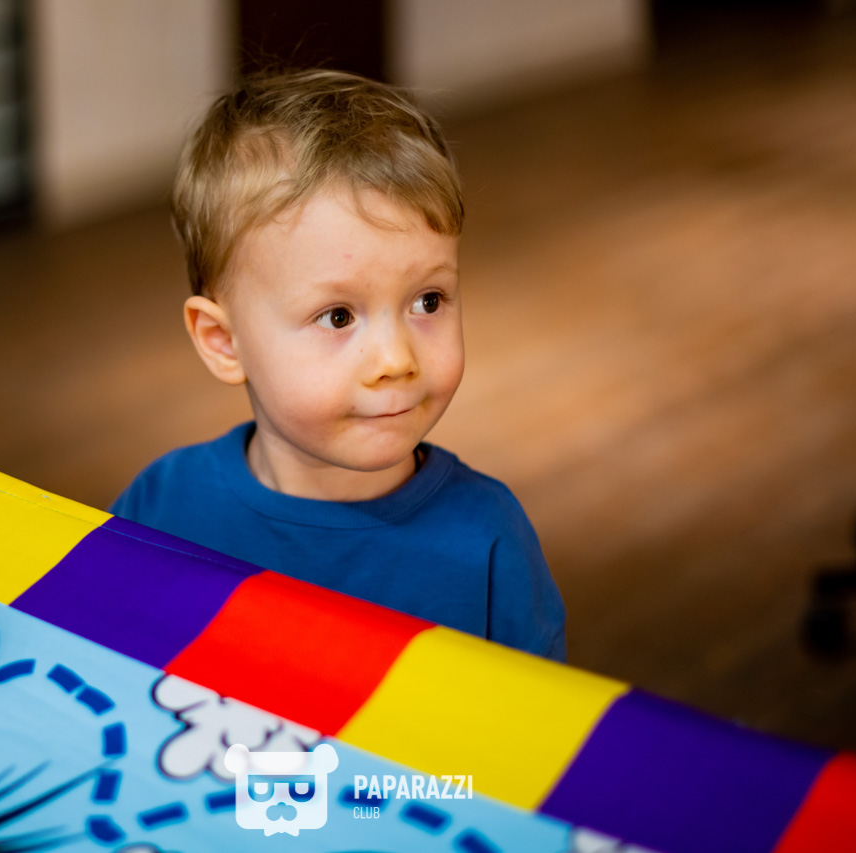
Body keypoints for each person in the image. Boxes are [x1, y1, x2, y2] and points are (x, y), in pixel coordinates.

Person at [110, 69, 566, 661]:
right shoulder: (160, 507)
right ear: (224, 342)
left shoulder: (487, 542)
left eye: (428, 301)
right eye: (338, 316)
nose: (396, 360)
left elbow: (535, 718)